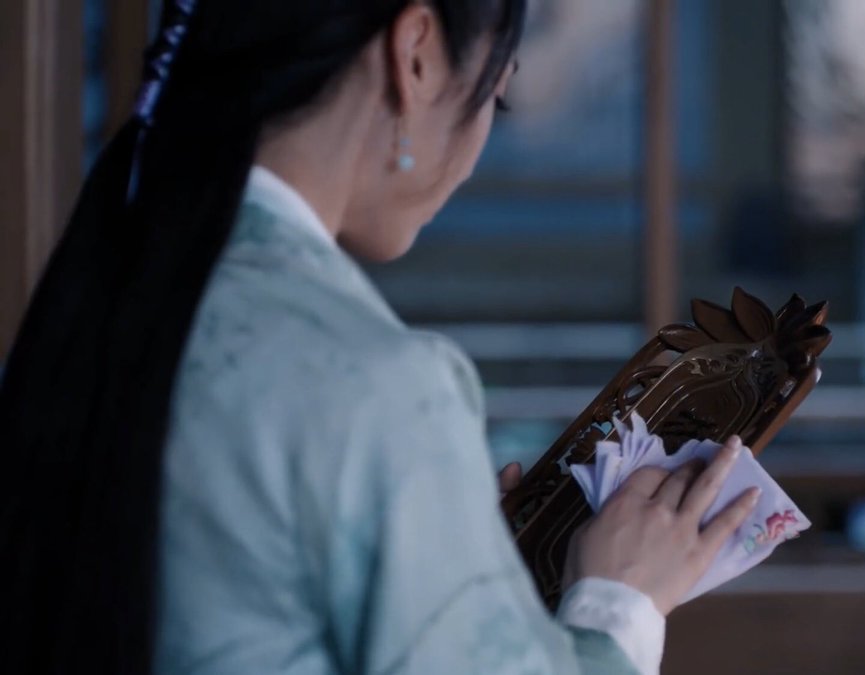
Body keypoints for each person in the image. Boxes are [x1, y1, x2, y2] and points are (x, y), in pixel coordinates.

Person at [0, 1, 761, 673]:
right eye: (496, 98)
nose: (471, 156)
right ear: (417, 53)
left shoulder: (101, 295)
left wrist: (460, 580)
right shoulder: (380, 383)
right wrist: (619, 602)